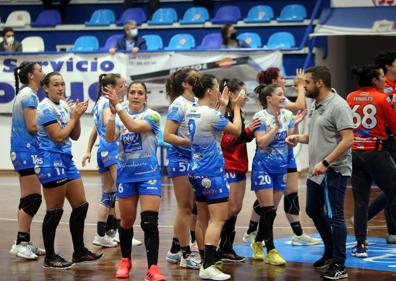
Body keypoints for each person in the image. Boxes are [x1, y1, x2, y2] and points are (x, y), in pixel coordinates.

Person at [286, 66, 354, 280]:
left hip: (333, 169)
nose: (303, 86)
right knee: (313, 210)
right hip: (318, 169)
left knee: (336, 216)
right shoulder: (316, 104)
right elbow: (317, 135)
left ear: (320, 83)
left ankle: (339, 264)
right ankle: (330, 252)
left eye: (306, 82)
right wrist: (299, 138)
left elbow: (348, 139)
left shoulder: (339, 106)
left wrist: (326, 162)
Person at [244, 67, 320, 247]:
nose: (284, 80)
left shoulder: (285, 111)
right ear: (272, 86)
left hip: (285, 157)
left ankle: (297, 234)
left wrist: (295, 127)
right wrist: (301, 86)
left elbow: (295, 125)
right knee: (267, 202)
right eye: (280, 78)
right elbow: (301, 105)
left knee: (290, 194)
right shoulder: (272, 106)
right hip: (266, 161)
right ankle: (253, 233)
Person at [35, 72, 103, 269]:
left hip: (66, 159)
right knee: (54, 211)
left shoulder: (64, 105)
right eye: (55, 84)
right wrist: (74, 116)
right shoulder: (45, 108)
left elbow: (74, 135)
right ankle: (50, 256)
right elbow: (57, 136)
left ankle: (79, 251)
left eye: (62, 84)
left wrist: (77, 116)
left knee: (81, 206)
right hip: (50, 161)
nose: (60, 88)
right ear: (46, 88)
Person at [105, 81, 166, 281]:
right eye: (132, 92)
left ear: (146, 97)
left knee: (149, 222)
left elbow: (134, 126)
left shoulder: (152, 116)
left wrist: (119, 108)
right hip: (126, 176)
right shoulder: (121, 116)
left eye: (140, 93)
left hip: (148, 174)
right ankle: (125, 260)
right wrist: (113, 114)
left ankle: (153, 268)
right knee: (127, 221)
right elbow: (110, 137)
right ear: (128, 95)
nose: (136, 96)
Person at [186, 73, 243, 280]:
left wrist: (222, 106)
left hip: (195, 171)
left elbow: (211, 129)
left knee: (203, 221)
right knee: (218, 219)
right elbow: (236, 130)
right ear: (209, 90)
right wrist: (235, 107)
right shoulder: (210, 114)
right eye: (217, 87)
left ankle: (204, 262)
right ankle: (209, 265)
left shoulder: (192, 111)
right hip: (212, 172)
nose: (219, 90)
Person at [346, 65, 396, 258]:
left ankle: (361, 245)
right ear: (374, 80)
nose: (385, 80)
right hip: (376, 153)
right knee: (393, 190)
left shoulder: (350, 97)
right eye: (382, 77)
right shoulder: (382, 98)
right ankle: (393, 230)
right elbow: (393, 127)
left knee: (360, 201)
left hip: (355, 153)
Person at [249, 84, 295, 266]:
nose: (283, 97)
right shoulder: (260, 117)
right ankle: (271, 250)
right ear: (269, 98)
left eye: (283, 94)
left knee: (271, 213)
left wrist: (295, 126)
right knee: (268, 210)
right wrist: (275, 127)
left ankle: (257, 242)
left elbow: (291, 143)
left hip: (280, 168)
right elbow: (261, 143)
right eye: (280, 94)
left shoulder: (287, 115)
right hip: (263, 167)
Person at [217, 78, 260, 262]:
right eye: (242, 92)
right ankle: (213, 248)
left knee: (235, 208)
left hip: (240, 165)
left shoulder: (237, 112)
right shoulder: (225, 113)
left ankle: (226, 248)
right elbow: (226, 142)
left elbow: (241, 137)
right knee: (229, 209)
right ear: (232, 94)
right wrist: (247, 130)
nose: (246, 95)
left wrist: (250, 131)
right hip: (229, 166)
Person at [164, 68, 202, 269]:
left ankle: (174, 250)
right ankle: (186, 255)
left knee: (191, 207)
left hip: (194, 158)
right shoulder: (179, 104)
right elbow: (167, 135)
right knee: (185, 207)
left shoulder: (195, 102)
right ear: (186, 84)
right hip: (180, 158)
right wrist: (191, 142)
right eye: (194, 77)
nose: (199, 80)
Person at [82, 74, 125, 248]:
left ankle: (101, 234)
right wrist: (116, 130)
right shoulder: (108, 105)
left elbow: (94, 129)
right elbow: (108, 122)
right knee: (123, 191)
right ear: (111, 88)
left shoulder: (99, 103)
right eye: (122, 85)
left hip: (103, 151)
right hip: (112, 150)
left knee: (108, 193)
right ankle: (122, 234)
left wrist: (87, 150)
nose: (125, 87)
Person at [9, 62, 45, 260]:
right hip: (26, 151)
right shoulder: (29, 95)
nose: (43, 72)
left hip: (23, 151)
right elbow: (32, 126)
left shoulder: (24, 94)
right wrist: (53, 126)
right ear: (31, 75)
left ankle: (22, 240)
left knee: (27, 199)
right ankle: (21, 243)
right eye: (39, 70)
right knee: (33, 199)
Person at [364, 50, 396, 244]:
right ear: (388, 67)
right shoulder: (384, 90)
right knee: (393, 185)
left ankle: (365, 215)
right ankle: (392, 231)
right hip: (388, 141)